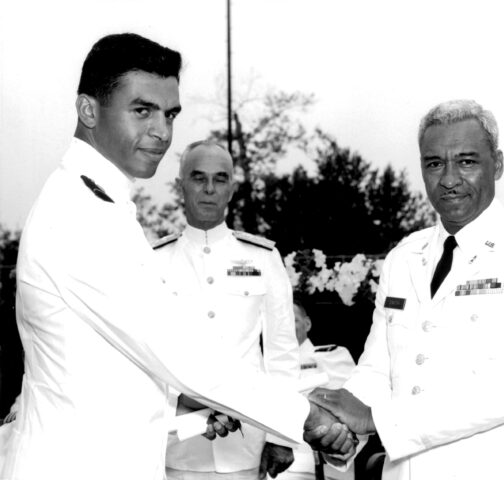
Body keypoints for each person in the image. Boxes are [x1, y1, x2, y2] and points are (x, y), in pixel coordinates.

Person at [1, 33, 354, 480]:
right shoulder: (77, 215)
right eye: (142, 110)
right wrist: (305, 417)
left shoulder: (103, 205)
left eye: (169, 114)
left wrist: (192, 407)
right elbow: (174, 347)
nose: (162, 132)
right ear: (89, 109)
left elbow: (107, 372)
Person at [308, 99, 504, 480]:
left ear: (497, 165)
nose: (449, 178)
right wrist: (338, 428)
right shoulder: (404, 258)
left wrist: (373, 419)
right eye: (434, 163)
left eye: (467, 161)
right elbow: (377, 369)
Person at [154, 141, 300, 480]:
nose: (209, 189)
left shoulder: (262, 257)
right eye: (198, 178)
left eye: (220, 179)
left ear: (232, 188)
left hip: (245, 441)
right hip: (175, 445)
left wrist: (281, 435)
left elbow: (281, 354)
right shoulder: (154, 260)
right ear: (180, 186)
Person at [277, 300, 356, 480]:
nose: (287, 326)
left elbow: (349, 409)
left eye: (293, 320)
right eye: (281, 321)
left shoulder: (330, 356)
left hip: (320, 464)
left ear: (307, 324)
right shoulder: (261, 366)